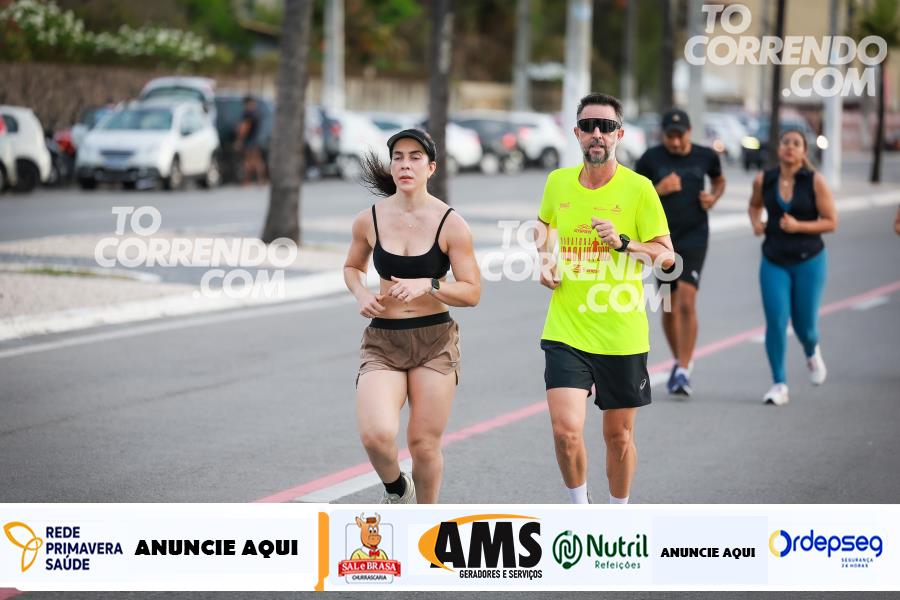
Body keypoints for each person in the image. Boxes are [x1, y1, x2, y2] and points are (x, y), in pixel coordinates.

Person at [535, 93, 674, 504]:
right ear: (576, 133)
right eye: (589, 126)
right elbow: (544, 225)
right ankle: (582, 512)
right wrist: (545, 258)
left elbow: (667, 257)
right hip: (566, 328)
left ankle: (617, 515)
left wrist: (625, 243)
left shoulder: (639, 189)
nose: (597, 133)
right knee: (565, 432)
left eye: (607, 126)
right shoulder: (557, 182)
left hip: (620, 334)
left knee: (619, 437)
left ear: (619, 135)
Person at [343, 128, 481, 503]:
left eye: (415, 157)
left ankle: (425, 522)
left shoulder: (451, 223)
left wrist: (430, 285)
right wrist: (361, 293)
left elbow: (472, 291)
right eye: (398, 157)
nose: (405, 164)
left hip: (434, 340)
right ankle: (398, 489)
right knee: (376, 434)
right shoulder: (368, 220)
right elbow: (352, 267)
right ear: (391, 167)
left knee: (423, 445)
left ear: (431, 167)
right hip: (383, 339)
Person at [635, 108, 726, 397]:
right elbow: (633, 195)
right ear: (663, 135)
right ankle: (679, 360)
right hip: (661, 239)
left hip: (694, 236)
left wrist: (713, 197)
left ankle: (684, 369)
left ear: (689, 132)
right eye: (669, 136)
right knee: (668, 304)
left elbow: (719, 180)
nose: (675, 142)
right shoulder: (650, 159)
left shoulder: (706, 156)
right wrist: (658, 189)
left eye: (680, 136)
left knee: (686, 299)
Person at [748, 129, 837, 406]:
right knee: (776, 321)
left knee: (805, 327)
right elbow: (754, 206)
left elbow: (831, 222)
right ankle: (779, 384)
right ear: (779, 148)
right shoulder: (764, 179)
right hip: (774, 260)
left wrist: (799, 226)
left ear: (804, 151)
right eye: (786, 142)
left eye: (796, 144)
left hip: (809, 260)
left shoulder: (814, 181)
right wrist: (756, 223)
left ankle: (811, 350)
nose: (790, 147)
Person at [234, 96, 267, 185]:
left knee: (248, 161)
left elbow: (244, 128)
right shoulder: (256, 113)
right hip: (256, 139)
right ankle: (261, 179)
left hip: (249, 140)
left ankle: (247, 180)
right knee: (257, 161)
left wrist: (239, 141)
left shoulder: (248, 114)